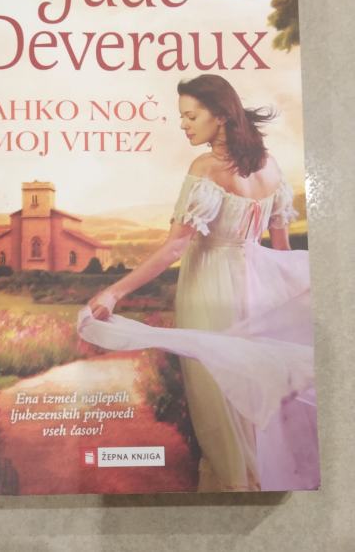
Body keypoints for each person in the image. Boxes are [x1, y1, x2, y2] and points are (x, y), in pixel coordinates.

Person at [78, 74, 320, 492]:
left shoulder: (205, 169)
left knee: (218, 403)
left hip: (209, 289)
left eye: (191, 116)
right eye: (182, 117)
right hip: (261, 288)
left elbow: (175, 247)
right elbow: (281, 248)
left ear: (221, 115)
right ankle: (257, 486)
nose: (184, 125)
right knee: (252, 393)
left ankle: (233, 488)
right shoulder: (270, 166)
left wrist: (113, 292)